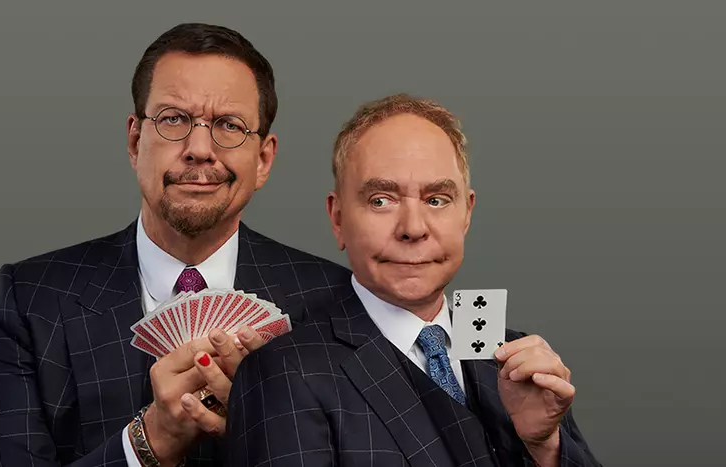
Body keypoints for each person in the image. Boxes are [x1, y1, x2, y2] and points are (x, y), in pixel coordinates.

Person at [0, 23, 352, 467]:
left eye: (229, 125)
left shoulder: (334, 302)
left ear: (263, 159)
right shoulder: (30, 302)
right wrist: (150, 442)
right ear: (135, 141)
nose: (199, 149)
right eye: (174, 120)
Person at [225, 94, 603, 467]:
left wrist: (545, 446)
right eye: (381, 200)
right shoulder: (286, 372)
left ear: (466, 214)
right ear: (338, 218)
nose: (413, 228)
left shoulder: (516, 358)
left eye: (436, 200)